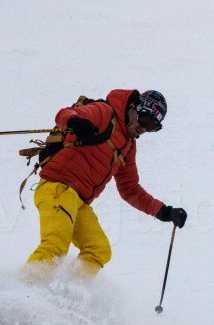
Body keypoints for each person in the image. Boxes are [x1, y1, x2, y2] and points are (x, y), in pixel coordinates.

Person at [25, 89, 187, 280]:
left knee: (98, 249)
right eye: (145, 121)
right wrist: (76, 122)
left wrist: (164, 211)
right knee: (56, 245)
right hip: (57, 188)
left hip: (78, 202)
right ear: (134, 110)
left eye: (152, 127)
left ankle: (69, 294)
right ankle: (23, 290)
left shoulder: (128, 146)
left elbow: (130, 189)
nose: (144, 129)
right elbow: (64, 114)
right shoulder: (104, 112)